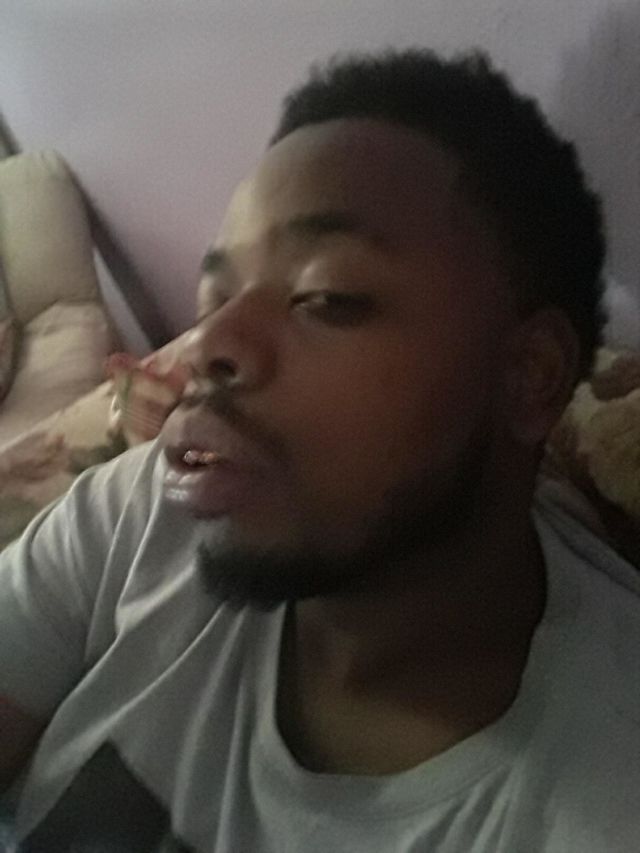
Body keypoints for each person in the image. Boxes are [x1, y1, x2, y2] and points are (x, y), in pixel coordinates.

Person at [0, 47, 638, 852]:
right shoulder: (138, 511)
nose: (207, 344)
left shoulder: (603, 804)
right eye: (216, 296)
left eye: (326, 296)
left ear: (529, 376)